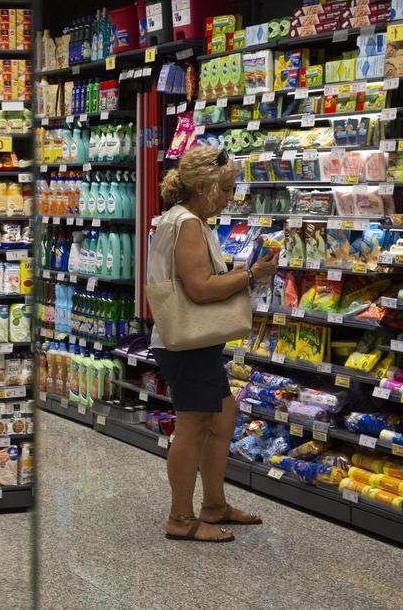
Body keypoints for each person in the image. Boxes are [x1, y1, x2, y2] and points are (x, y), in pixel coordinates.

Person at [147, 145, 277, 542]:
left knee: (222, 416)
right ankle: (181, 519)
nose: (229, 197)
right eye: (225, 188)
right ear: (204, 187)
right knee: (193, 426)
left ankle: (215, 504)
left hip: (190, 343)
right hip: (184, 344)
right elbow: (201, 289)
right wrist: (251, 275)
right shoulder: (187, 223)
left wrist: (238, 272)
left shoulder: (185, 220)